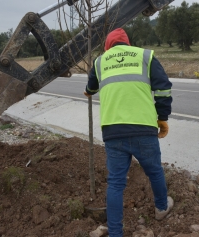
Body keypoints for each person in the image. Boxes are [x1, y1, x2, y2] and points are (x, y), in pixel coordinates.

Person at [84, 28, 173, 236]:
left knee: (115, 182)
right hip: (143, 128)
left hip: (113, 131)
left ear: (108, 46)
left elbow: (91, 86)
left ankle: (115, 232)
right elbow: (164, 88)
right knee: (154, 171)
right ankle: (161, 208)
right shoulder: (145, 56)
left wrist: (88, 91)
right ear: (128, 43)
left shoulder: (100, 61)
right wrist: (162, 117)